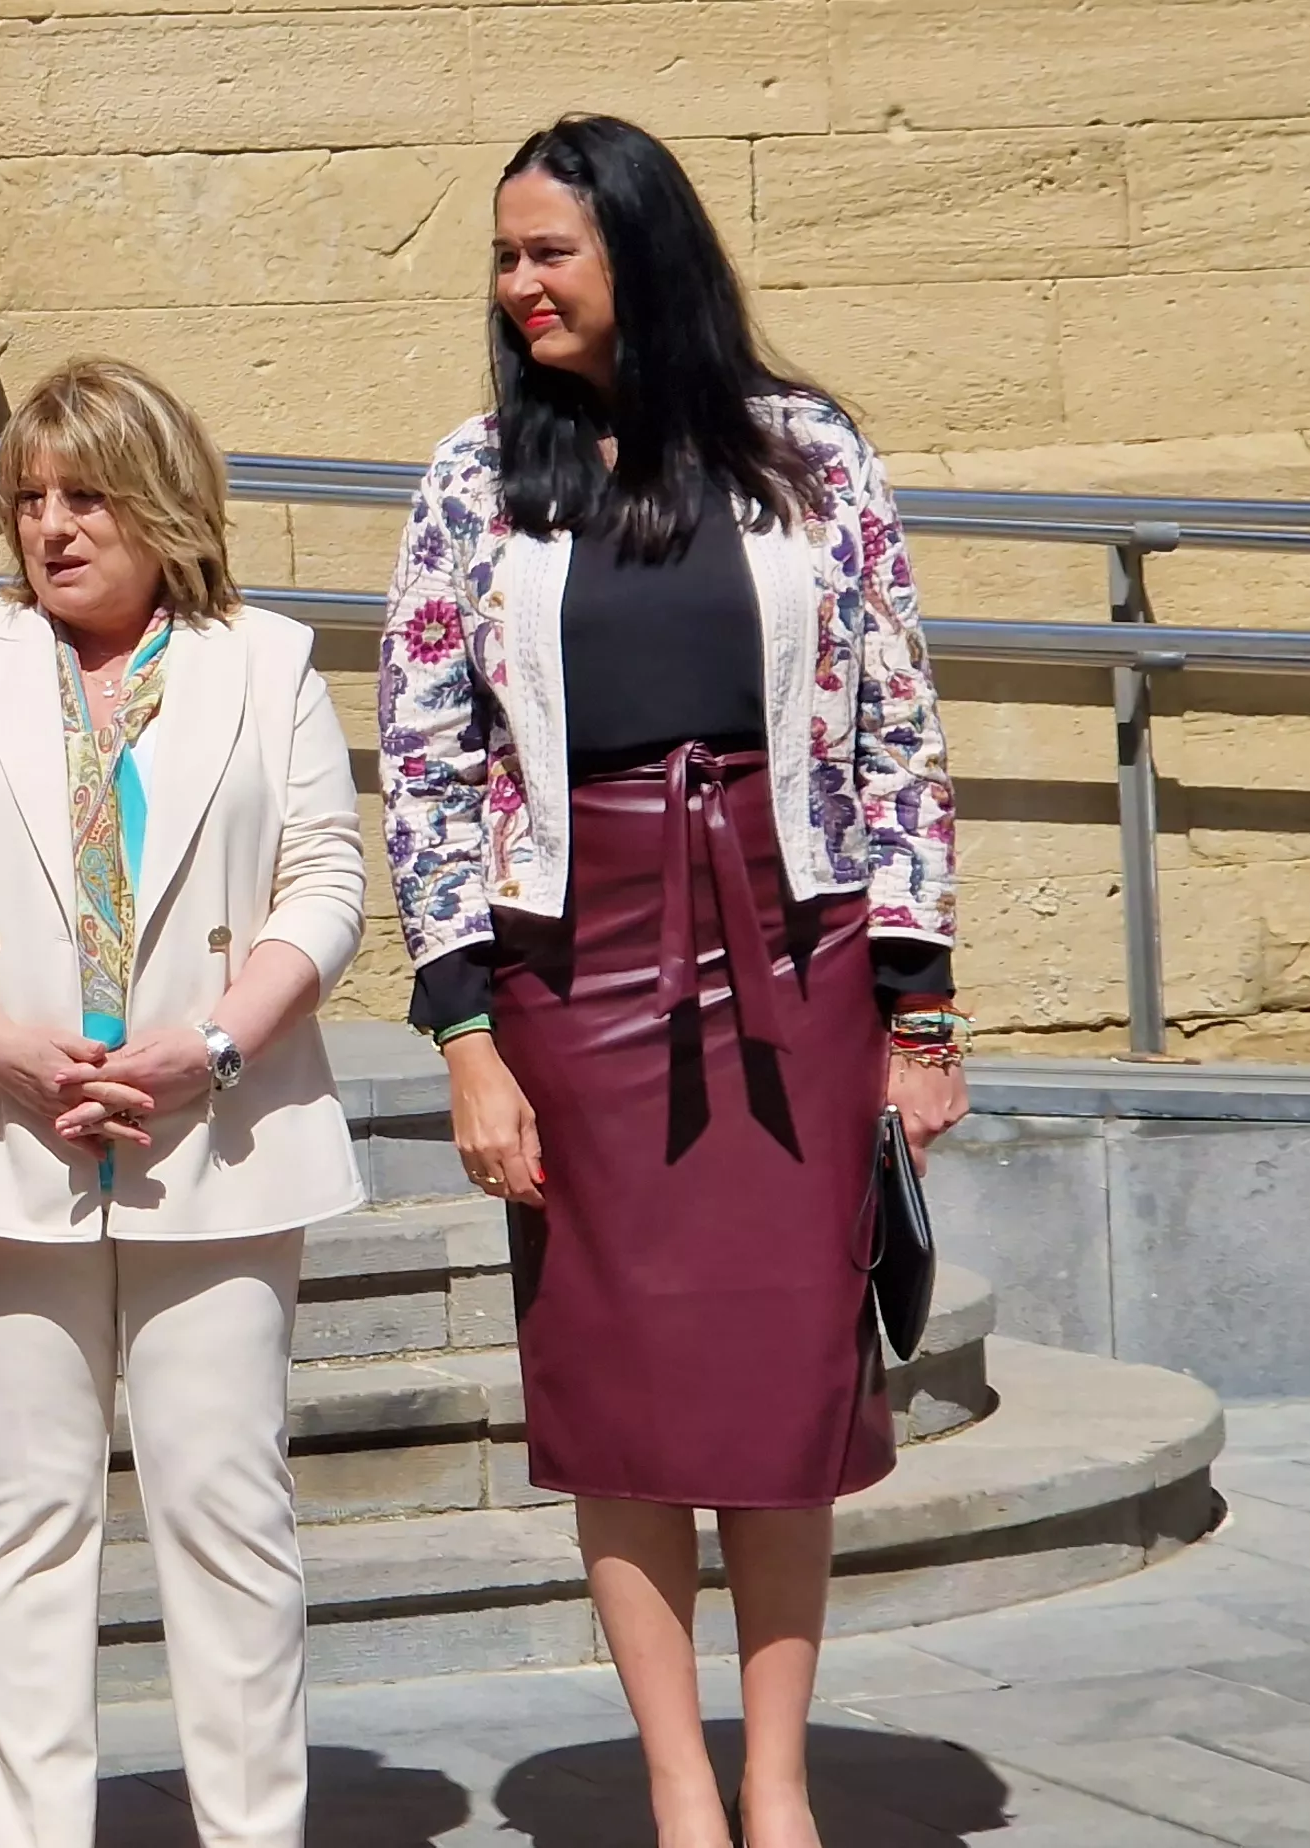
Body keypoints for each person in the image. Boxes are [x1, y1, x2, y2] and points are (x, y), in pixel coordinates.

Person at [376, 115, 968, 1848]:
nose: (520, 284)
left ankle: (778, 1784)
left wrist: (922, 1010)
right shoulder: (473, 479)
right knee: (620, 1379)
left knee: (790, 1376)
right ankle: (679, 1787)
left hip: (799, 954)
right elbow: (422, 763)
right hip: (573, 970)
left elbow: (897, 728)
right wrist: (465, 1032)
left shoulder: (809, 454)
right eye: (504, 257)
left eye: (549, 251)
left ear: (641, 251)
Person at [0, 357, 366, 1848]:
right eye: (27, 499)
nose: (50, 527)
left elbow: (325, 883)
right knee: (24, 1519)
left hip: (223, 1134)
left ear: (161, 500)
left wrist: (213, 1045)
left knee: (228, 1514)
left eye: (85, 496)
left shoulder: (265, 661)